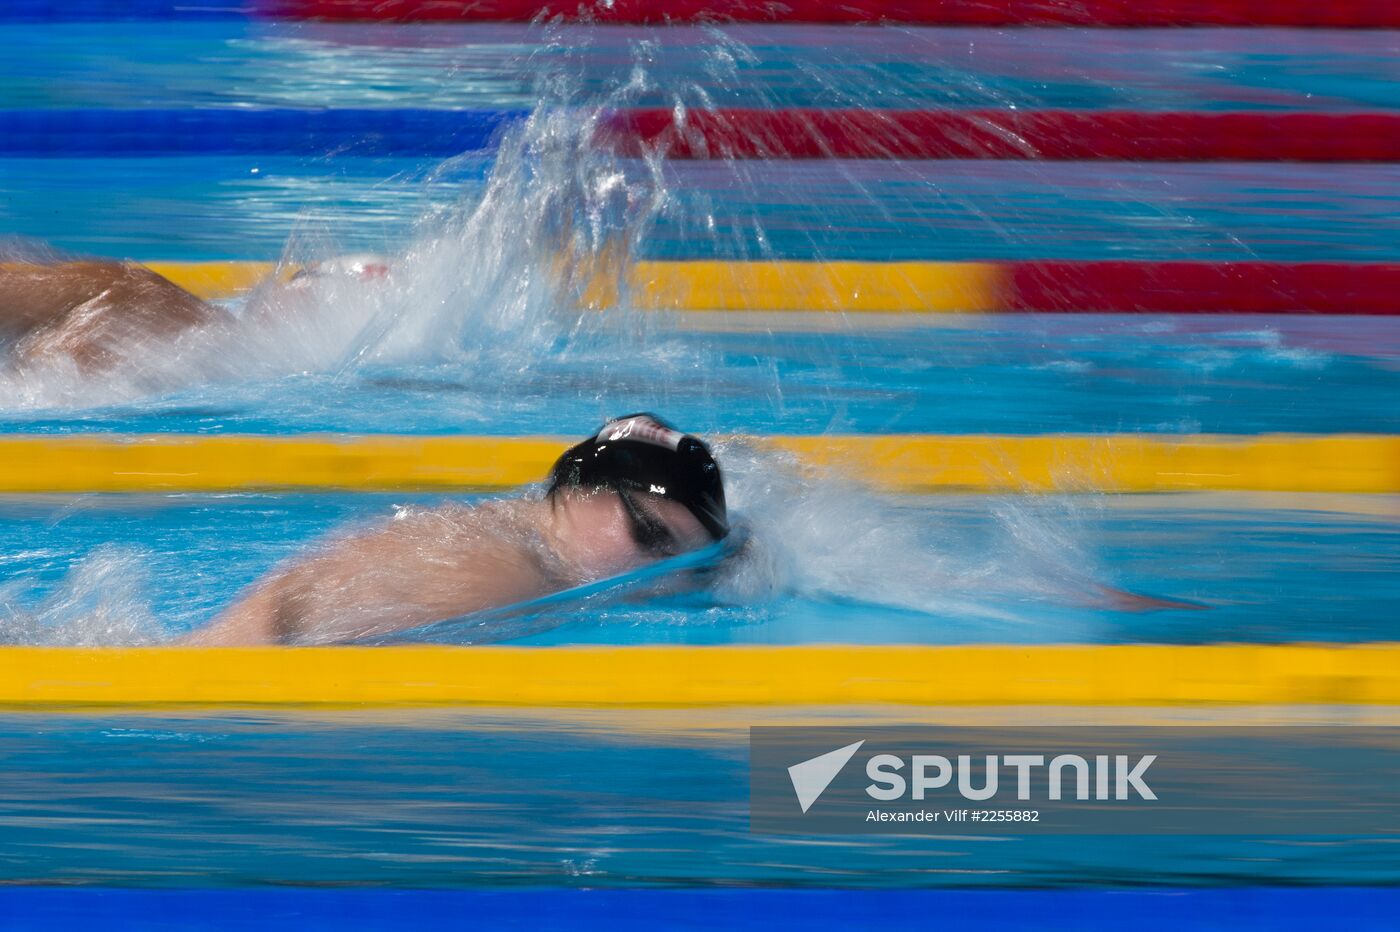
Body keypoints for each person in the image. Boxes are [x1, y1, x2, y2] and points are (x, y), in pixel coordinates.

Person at [182, 413, 729, 645]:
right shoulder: (498, 573)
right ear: (577, 492)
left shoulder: (521, 540)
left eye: (691, 563)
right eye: (648, 535)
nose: (666, 576)